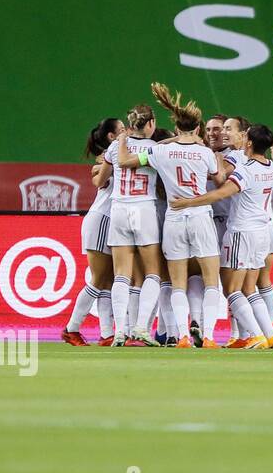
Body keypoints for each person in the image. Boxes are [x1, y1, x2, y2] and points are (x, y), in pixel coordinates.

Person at [124, 83, 225, 349]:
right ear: (198, 127)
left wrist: (169, 141)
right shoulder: (205, 152)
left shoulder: (160, 151)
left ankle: (181, 336)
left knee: (177, 283)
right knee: (211, 280)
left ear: (177, 127)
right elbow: (220, 177)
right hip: (201, 215)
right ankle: (210, 336)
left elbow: (130, 162)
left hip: (174, 217)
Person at [171, 124, 273, 350]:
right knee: (250, 289)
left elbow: (220, 193)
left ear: (249, 143)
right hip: (262, 233)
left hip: (241, 233)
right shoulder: (272, 168)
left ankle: (255, 336)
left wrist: (187, 202)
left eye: (245, 135)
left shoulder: (246, 171)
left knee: (231, 289)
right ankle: (271, 337)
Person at [92, 105, 163, 347]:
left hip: (119, 208)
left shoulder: (114, 146)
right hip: (144, 209)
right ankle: (141, 327)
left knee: (121, 274)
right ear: (151, 123)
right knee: (152, 272)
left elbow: (101, 180)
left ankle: (119, 330)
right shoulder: (156, 149)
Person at [62, 117, 124, 346]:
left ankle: (107, 333)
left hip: (109, 219)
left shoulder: (113, 156)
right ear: (111, 137)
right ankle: (71, 328)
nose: (127, 132)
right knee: (98, 279)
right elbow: (99, 178)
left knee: (108, 280)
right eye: (122, 129)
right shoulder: (111, 157)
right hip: (102, 219)